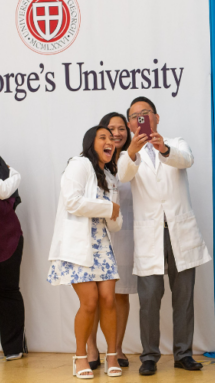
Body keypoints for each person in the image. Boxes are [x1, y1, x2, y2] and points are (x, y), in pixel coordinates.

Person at [118, 96, 211, 376]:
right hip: (150, 236)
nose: (140, 119)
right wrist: (133, 152)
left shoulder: (176, 142)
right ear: (131, 124)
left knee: (183, 297)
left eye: (145, 113)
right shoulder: (127, 155)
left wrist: (164, 148)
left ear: (156, 118)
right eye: (135, 116)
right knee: (148, 300)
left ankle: (183, 354)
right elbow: (123, 175)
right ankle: (149, 356)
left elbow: (187, 160)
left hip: (180, 232)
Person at [47, 126, 123, 379]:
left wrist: (112, 213)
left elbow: (115, 221)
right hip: (76, 245)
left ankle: (112, 355)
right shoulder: (78, 164)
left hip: (102, 244)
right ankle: (80, 357)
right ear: (91, 144)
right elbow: (72, 201)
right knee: (89, 302)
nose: (109, 141)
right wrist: (108, 208)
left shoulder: (111, 176)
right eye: (103, 137)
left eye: (111, 138)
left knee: (109, 300)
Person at [86, 113, 135, 370]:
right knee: (93, 296)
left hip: (124, 234)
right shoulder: (92, 162)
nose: (116, 134)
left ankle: (116, 348)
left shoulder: (132, 158)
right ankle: (91, 346)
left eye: (120, 129)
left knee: (121, 294)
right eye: (109, 129)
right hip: (96, 236)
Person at [0, 130, 26, 362]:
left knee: (7, 293)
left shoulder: (3, 171)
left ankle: (13, 348)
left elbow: (3, 206)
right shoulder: (7, 176)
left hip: (5, 242)